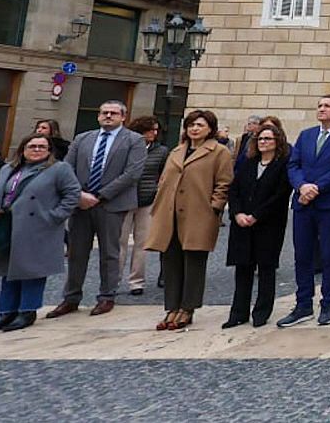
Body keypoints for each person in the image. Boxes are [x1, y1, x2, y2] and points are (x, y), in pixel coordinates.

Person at [45, 100, 145, 321]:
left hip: (112, 204)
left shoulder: (134, 140)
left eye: (113, 113)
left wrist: (99, 196)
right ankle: (71, 297)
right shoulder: (83, 138)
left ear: (123, 117)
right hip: (80, 204)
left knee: (110, 253)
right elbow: (66, 168)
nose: (108, 116)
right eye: (104, 112)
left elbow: (132, 173)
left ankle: (107, 296)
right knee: (76, 252)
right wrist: (79, 194)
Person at [0, 133, 81, 333]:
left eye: (42, 147)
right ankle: (6, 312)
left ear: (49, 151)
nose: (37, 150)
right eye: (32, 146)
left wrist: (54, 216)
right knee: (7, 271)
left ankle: (27, 311)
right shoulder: (8, 169)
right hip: (6, 226)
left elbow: (72, 194)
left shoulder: (59, 169)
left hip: (38, 228)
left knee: (32, 271)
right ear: (23, 149)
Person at [145, 109, 233, 331]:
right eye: (191, 125)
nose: (195, 129)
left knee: (193, 262)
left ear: (210, 129)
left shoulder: (219, 152)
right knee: (170, 261)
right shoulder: (176, 150)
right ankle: (171, 307)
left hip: (199, 214)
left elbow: (224, 182)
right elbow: (165, 179)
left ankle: (188, 308)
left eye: (200, 125)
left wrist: (214, 207)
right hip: (169, 213)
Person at [278, 95, 330, 328]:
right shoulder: (306, 135)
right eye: (320, 105)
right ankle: (303, 304)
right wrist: (302, 186)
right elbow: (294, 165)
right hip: (303, 203)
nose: (322, 109)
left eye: (327, 106)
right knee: (302, 255)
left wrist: (317, 187)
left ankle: (328, 304)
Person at [224, 117, 291, 328]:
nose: (264, 142)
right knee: (243, 269)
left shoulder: (282, 166)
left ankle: (261, 312)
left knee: (266, 268)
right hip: (242, 224)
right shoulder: (248, 163)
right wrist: (237, 214)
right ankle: (238, 312)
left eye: (268, 139)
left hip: (268, 224)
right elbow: (234, 190)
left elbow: (280, 194)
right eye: (261, 139)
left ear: (277, 141)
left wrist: (257, 215)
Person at [119, 116, 169, 297]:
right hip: (124, 199)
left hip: (147, 199)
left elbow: (164, 175)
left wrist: (157, 193)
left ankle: (136, 281)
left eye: (156, 130)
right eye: (150, 130)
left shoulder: (161, 151)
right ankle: (113, 280)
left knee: (142, 243)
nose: (154, 134)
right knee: (120, 242)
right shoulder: (125, 147)